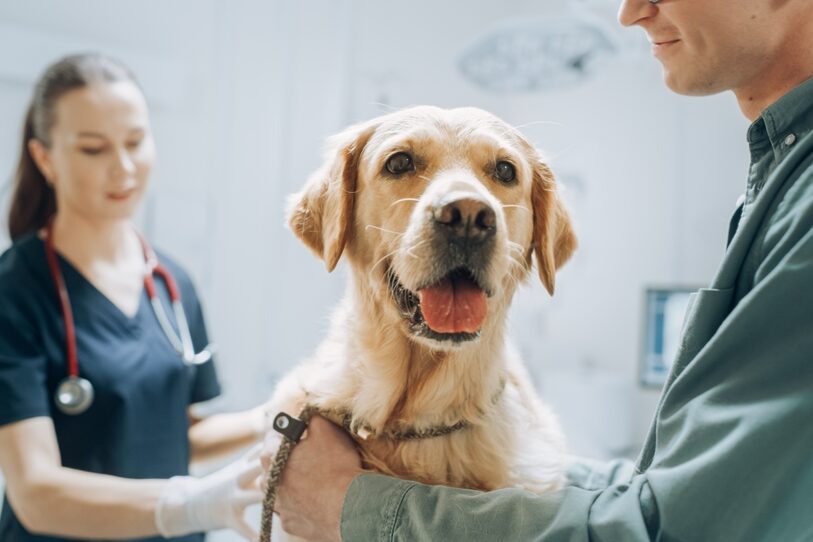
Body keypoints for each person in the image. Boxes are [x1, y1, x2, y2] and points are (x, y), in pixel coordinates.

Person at [265, 0, 813, 540]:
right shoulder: (781, 178)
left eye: (502, 172)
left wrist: (352, 506)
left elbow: (684, 529)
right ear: (342, 222)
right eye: (402, 164)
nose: (629, 12)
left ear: (537, 243)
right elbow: (684, 491)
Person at [0, 53, 271, 541]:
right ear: (45, 158)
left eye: (135, 142)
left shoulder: (172, 285)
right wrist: (188, 504)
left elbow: (178, 435)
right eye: (93, 149)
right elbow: (35, 493)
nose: (123, 167)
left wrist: (272, 416)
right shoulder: (17, 288)